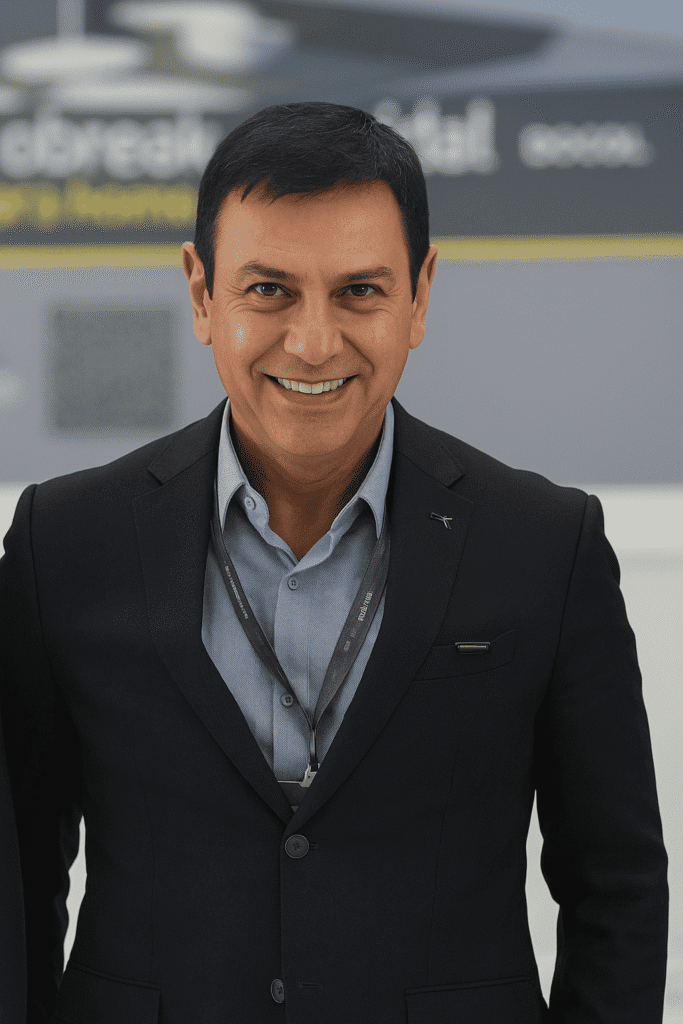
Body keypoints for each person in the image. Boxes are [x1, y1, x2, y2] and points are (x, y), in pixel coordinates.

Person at [0, 101, 668, 1024]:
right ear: (201, 293)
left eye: (358, 291)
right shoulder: (64, 541)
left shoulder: (544, 544)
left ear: (419, 296)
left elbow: (616, 884)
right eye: (268, 290)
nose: (313, 343)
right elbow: (18, 879)